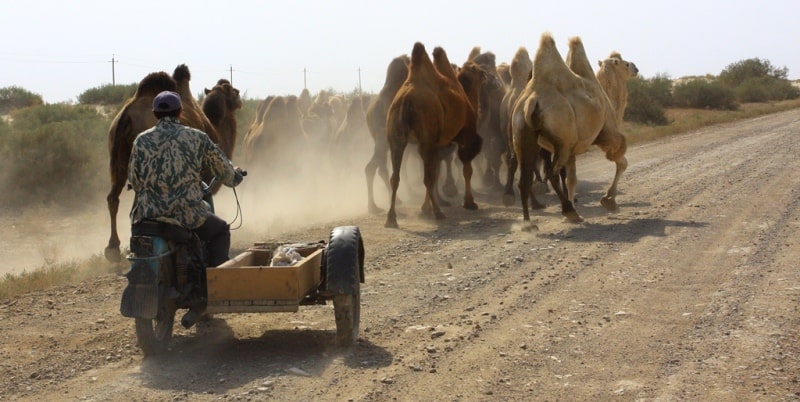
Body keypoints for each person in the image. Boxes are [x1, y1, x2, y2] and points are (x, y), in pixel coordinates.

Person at [128, 90, 244, 267]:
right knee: (221, 230)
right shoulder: (196, 137)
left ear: (154, 113)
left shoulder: (140, 141)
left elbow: (134, 181)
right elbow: (224, 170)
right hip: (189, 217)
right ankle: (215, 282)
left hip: (148, 216)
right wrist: (234, 177)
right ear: (180, 112)